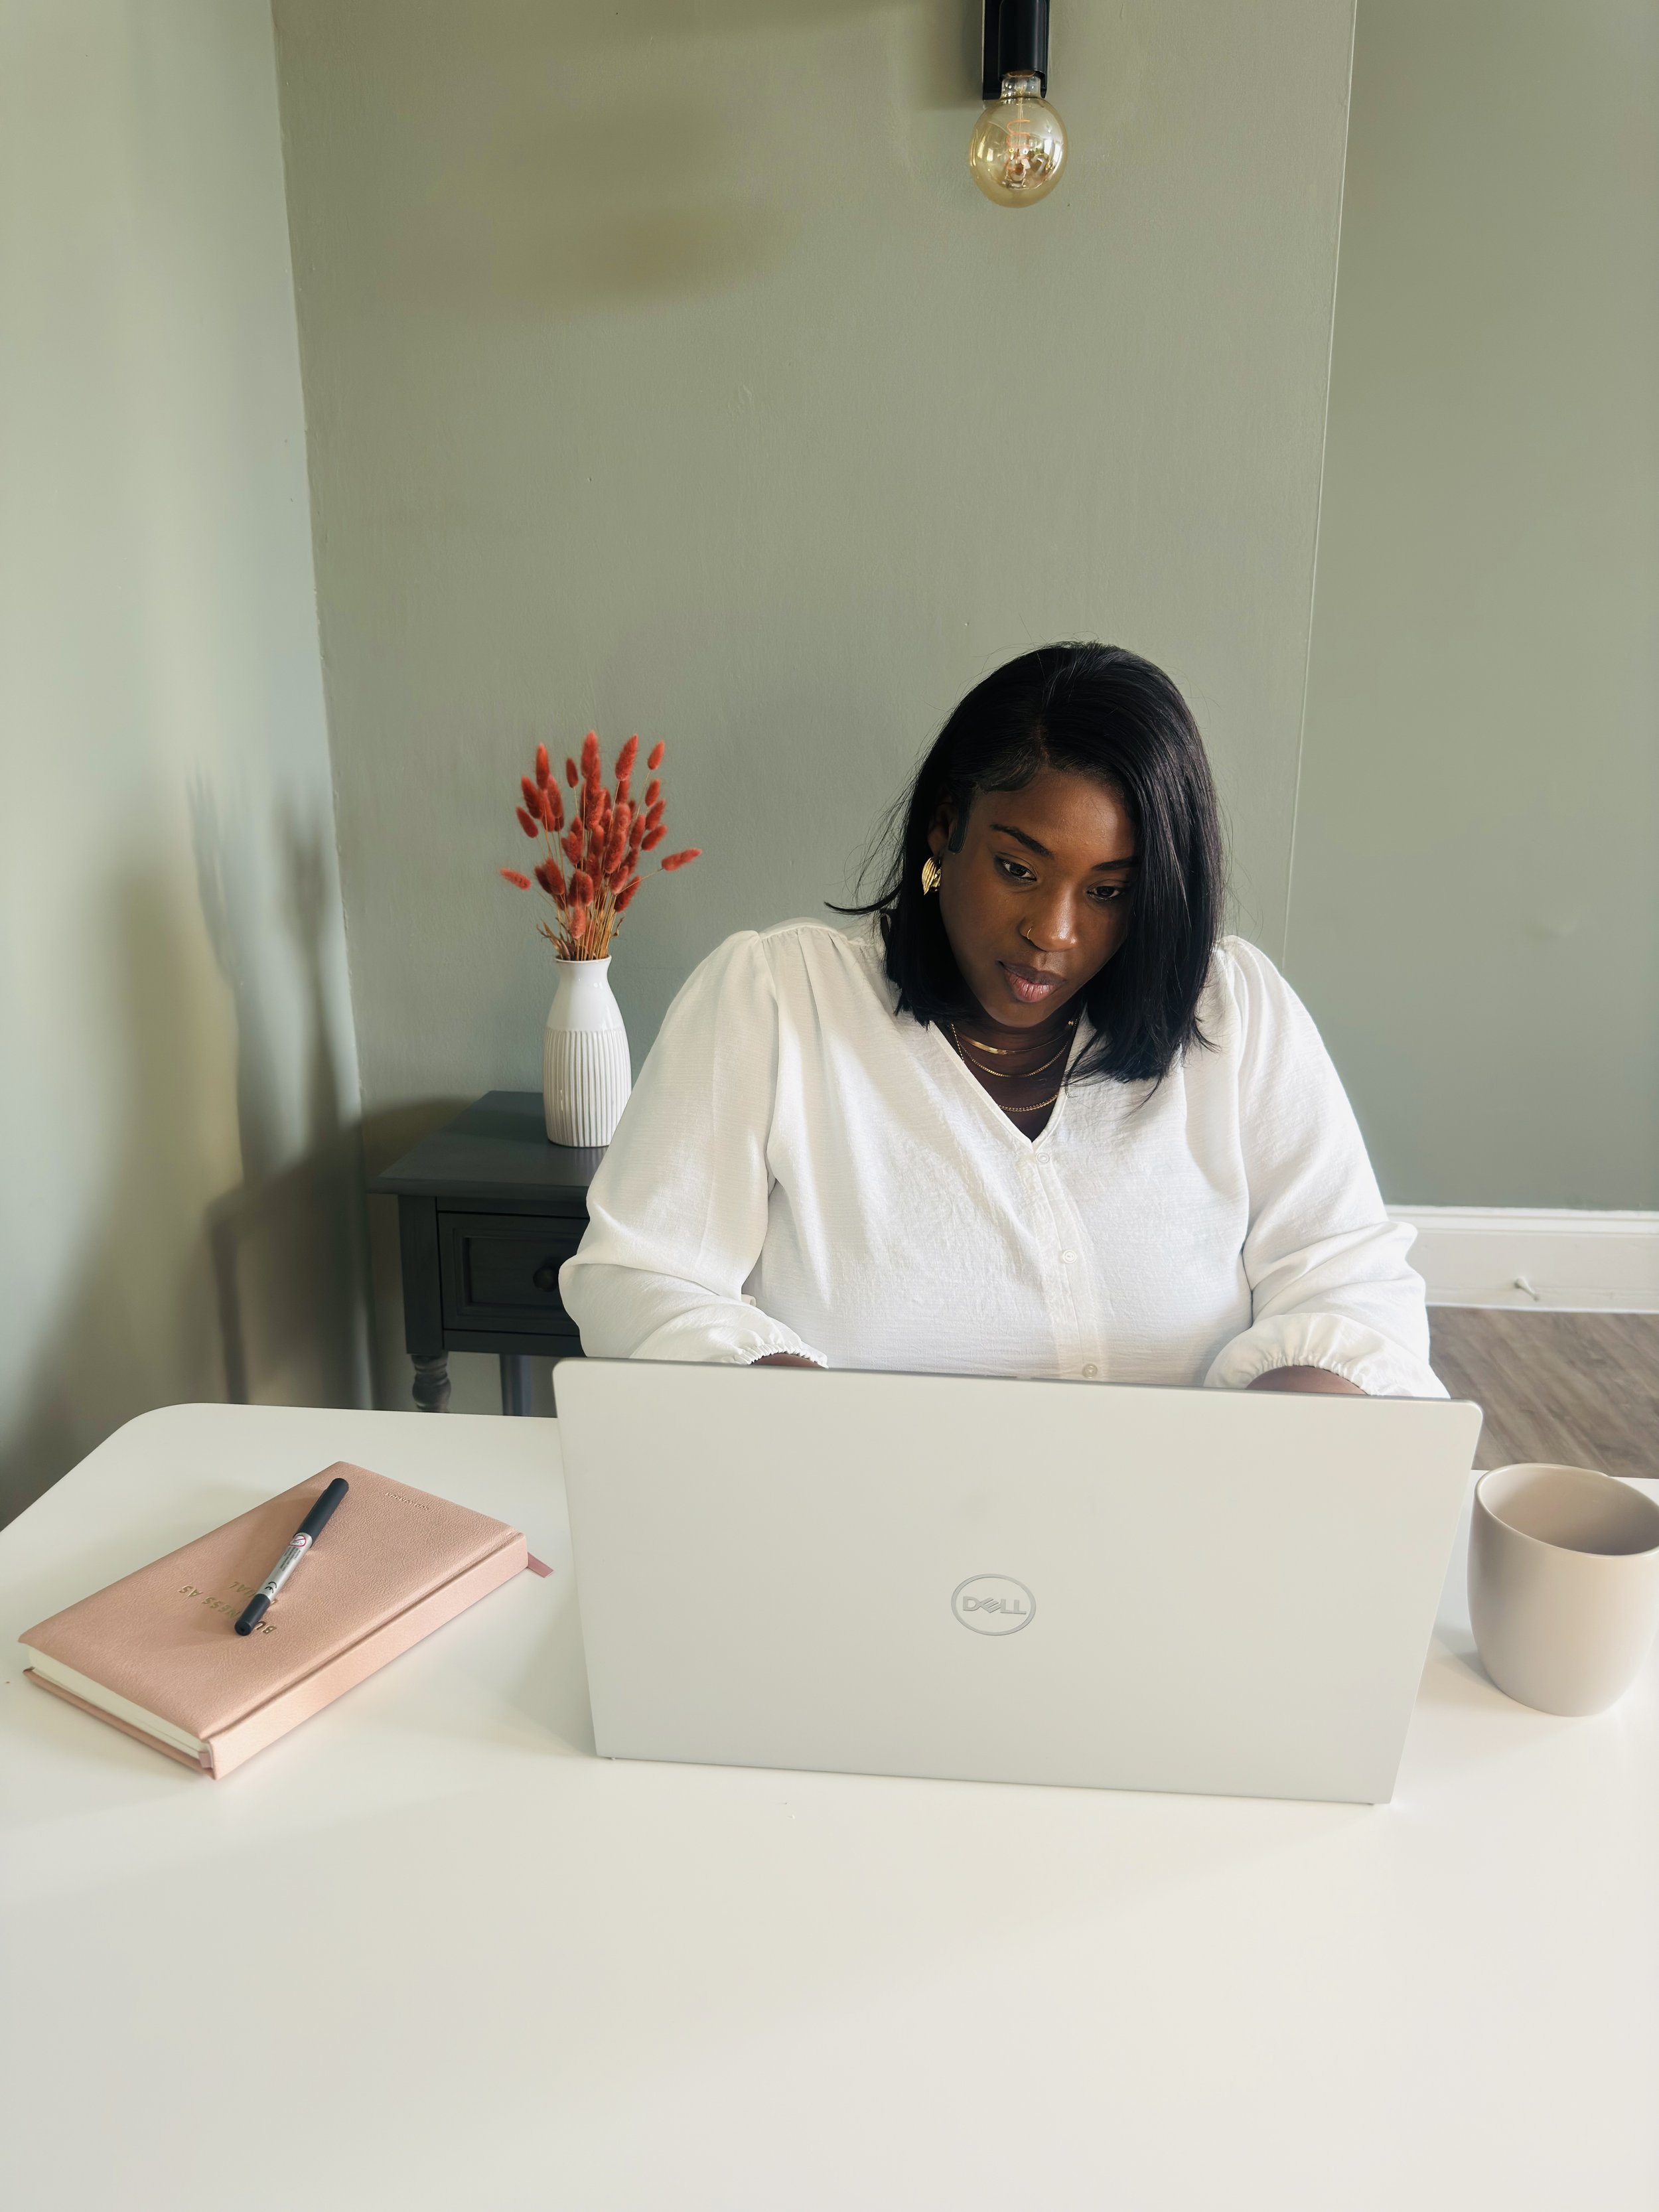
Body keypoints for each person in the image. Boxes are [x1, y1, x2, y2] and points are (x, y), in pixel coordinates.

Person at [559, 643, 1442, 1398]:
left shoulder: (1234, 1013)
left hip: (1178, 1544)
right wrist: (802, 1418)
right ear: (946, 829)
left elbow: (1354, 1286)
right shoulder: (776, 1002)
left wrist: (1270, 1454)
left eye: (1108, 892)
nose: (1052, 932)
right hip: (861, 1534)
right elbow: (639, 1280)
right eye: (1019, 868)